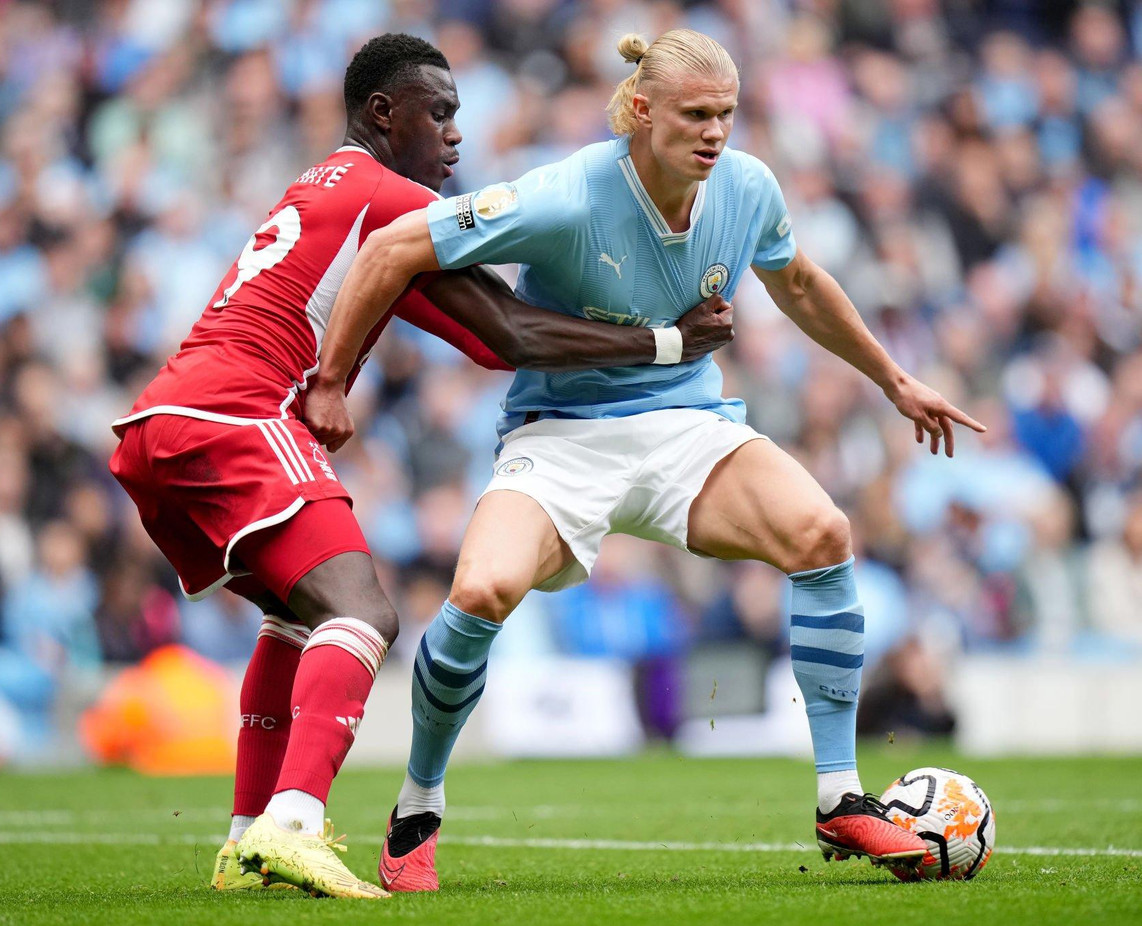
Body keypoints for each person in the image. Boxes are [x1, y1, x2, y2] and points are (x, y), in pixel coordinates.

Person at [305, 29, 986, 892]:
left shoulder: (746, 189)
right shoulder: (567, 193)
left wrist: (894, 379)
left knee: (823, 532)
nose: (714, 133)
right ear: (638, 110)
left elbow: (801, 283)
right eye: (695, 115)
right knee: (478, 593)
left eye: (726, 116)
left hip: (686, 425)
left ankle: (841, 796)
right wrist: (331, 381)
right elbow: (391, 248)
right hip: (560, 435)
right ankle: (418, 804)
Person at [108, 32, 733, 899]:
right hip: (235, 413)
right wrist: (667, 341)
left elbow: (487, 342)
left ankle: (247, 840)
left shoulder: (332, 186)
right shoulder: (388, 196)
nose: (454, 135)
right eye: (438, 114)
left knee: (301, 616)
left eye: (457, 116)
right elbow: (512, 330)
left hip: (164, 422)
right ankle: (294, 822)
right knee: (366, 611)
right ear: (381, 114)